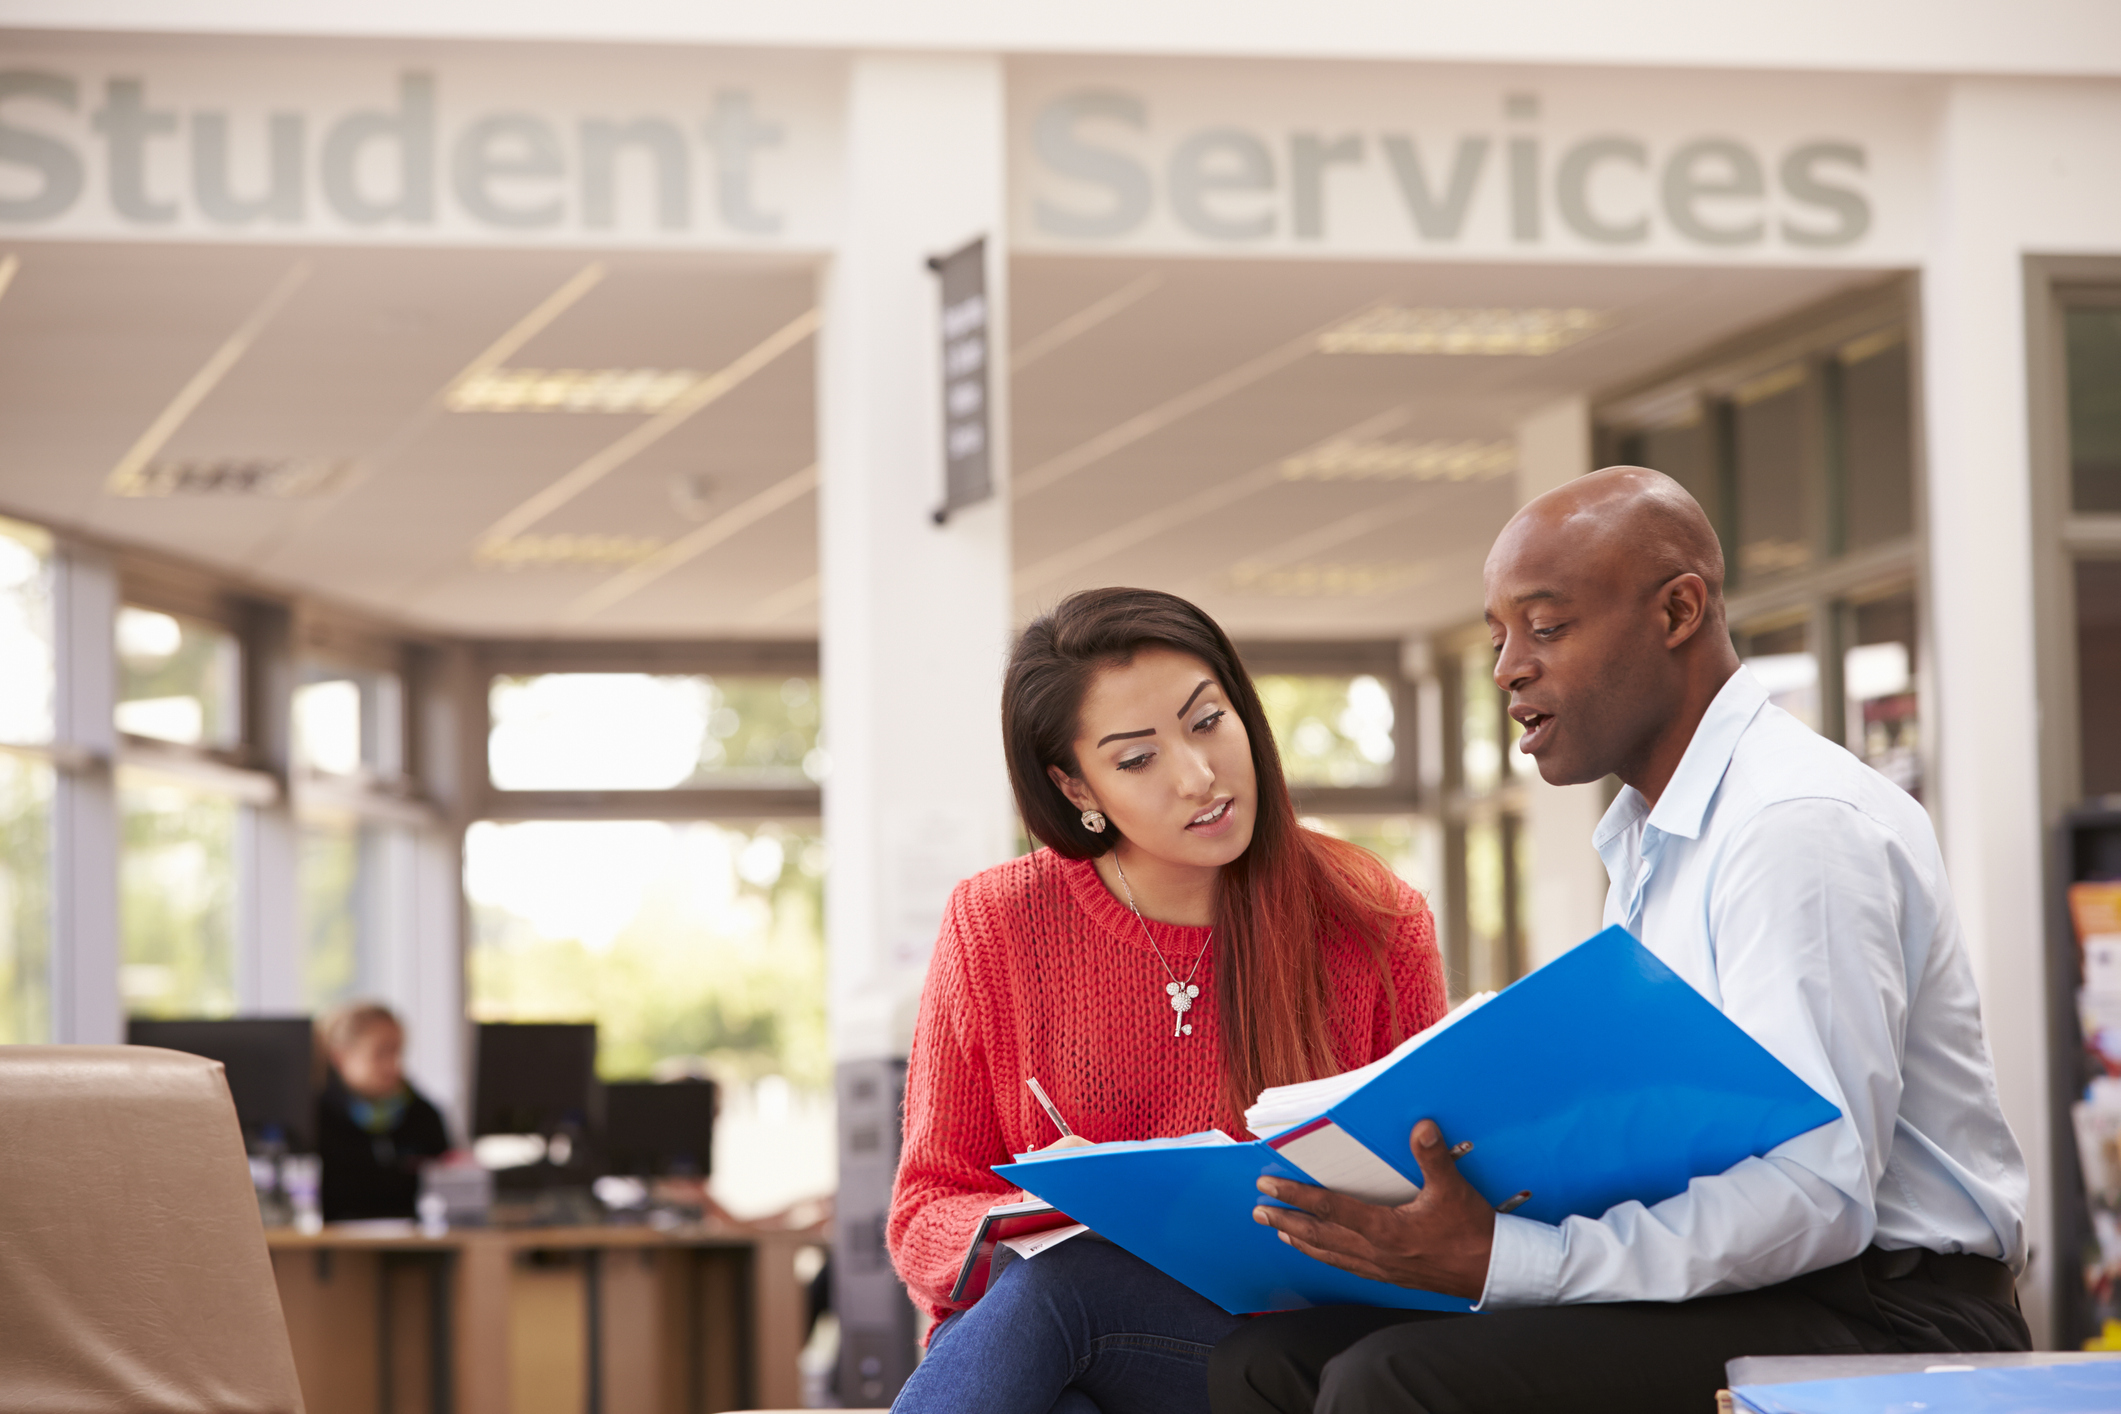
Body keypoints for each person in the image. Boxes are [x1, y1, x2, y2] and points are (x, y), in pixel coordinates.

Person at [1209, 467, 2030, 1414]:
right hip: (1760, 1289)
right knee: (1264, 1363)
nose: (1508, 667)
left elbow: (1819, 1194)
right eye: (1498, 637)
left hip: (1889, 1315)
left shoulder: (1792, 827)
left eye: (1545, 627)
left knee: (1390, 1381)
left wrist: (1509, 1257)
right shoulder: (1653, 838)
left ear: (1679, 611)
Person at [887, 587, 1449, 1414]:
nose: (1197, 776)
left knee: (1066, 1288)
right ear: (1075, 786)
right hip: (1063, 1346)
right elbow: (926, 1208)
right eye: (1137, 758)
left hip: (1289, 1352)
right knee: (1063, 1324)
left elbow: (1431, 1190)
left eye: (1207, 721)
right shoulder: (997, 922)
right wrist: (1036, 1217)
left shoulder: (1369, 916)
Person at [316, 1001, 450, 1223]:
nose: (393, 1065)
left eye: (397, 1051)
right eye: (380, 1053)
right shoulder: (316, 1118)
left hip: (415, 1247)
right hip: (335, 1247)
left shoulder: (424, 1115)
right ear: (340, 1057)